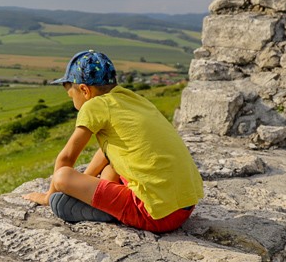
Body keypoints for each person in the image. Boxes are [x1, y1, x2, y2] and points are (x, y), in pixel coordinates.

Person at [22, 50, 202, 232]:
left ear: (84, 90)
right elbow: (108, 153)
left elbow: (65, 159)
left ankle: (110, 212)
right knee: (109, 167)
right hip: (184, 206)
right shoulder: (132, 99)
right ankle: (105, 203)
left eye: (71, 95)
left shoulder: (94, 105)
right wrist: (86, 181)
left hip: (155, 215)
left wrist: (46, 197)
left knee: (61, 183)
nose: (72, 100)